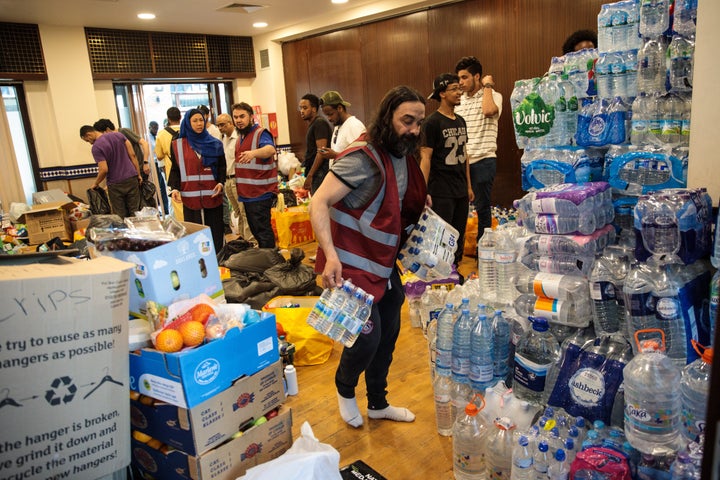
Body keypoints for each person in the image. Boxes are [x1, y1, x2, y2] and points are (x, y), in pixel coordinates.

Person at [310, 85, 428, 428]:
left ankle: (378, 402)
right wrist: (330, 256)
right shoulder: (362, 156)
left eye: (418, 123)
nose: (414, 130)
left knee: (389, 335)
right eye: (407, 120)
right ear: (387, 116)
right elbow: (319, 201)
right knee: (367, 338)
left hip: (384, 264)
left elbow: (395, 198)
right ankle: (345, 389)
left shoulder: (402, 154)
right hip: (348, 266)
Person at [422, 73, 473, 269]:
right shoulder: (432, 122)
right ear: (442, 93)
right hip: (440, 190)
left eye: (459, 88)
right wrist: (423, 189)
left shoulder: (460, 120)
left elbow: (465, 155)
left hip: (460, 189)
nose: (459, 92)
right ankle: (439, 276)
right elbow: (425, 158)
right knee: (441, 238)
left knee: (458, 237)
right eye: (454, 89)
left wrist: (469, 185)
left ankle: (455, 272)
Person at [454, 56, 502, 244]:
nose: (461, 82)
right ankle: (458, 253)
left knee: (482, 208)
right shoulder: (459, 101)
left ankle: (484, 253)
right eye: (459, 78)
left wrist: (488, 86)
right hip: (461, 163)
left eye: (465, 77)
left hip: (484, 160)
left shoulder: (493, 95)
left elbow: (489, 110)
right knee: (459, 208)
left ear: (477, 76)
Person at [167, 108, 226, 253]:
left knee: (215, 231)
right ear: (187, 122)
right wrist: (174, 188)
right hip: (190, 197)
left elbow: (221, 166)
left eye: (201, 120)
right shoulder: (177, 144)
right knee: (194, 234)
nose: (199, 124)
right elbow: (175, 169)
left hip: (212, 194)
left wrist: (221, 182)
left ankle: (218, 259)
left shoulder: (215, 143)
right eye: (195, 121)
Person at [232, 102, 278, 249]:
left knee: (263, 232)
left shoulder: (260, 133)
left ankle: (270, 263)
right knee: (256, 231)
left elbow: (270, 150)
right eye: (235, 117)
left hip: (261, 193)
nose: (238, 120)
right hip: (247, 194)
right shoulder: (240, 138)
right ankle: (265, 260)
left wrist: (253, 153)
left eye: (242, 116)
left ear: (251, 117)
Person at [80, 125, 142, 218]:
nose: (90, 143)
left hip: (115, 184)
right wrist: (138, 174)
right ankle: (137, 231)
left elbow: (104, 169)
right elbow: (132, 155)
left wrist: (96, 183)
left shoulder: (96, 147)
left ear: (88, 135)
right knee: (135, 211)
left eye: (87, 140)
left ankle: (125, 232)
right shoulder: (118, 135)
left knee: (120, 214)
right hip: (131, 178)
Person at [216, 113, 255, 243]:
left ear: (230, 123)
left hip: (238, 179)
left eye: (222, 125)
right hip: (227, 180)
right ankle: (244, 241)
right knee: (238, 213)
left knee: (244, 212)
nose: (220, 128)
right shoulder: (223, 139)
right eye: (218, 125)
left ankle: (251, 241)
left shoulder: (239, 138)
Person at [318, 90, 366, 166]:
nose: (329, 118)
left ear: (340, 108)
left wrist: (335, 155)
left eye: (330, 114)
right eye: (326, 115)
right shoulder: (338, 126)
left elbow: (362, 157)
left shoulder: (354, 125)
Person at [299, 93, 332, 193]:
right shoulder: (313, 124)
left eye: (305, 108)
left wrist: (310, 175)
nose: (302, 111)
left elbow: (321, 152)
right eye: (300, 108)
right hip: (316, 172)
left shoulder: (319, 123)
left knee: (319, 206)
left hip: (320, 173)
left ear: (314, 109)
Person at [156, 106, 183, 220]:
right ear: (180, 117)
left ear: (168, 118)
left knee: (176, 200)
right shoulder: (187, 130)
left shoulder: (162, 134)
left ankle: (184, 226)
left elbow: (159, 155)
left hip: (171, 172)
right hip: (188, 169)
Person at [148, 120, 170, 214]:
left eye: (157, 128)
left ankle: (165, 209)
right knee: (157, 187)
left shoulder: (155, 137)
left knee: (162, 187)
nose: (156, 130)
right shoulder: (148, 138)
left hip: (158, 164)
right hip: (153, 164)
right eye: (154, 128)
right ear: (150, 128)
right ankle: (160, 209)